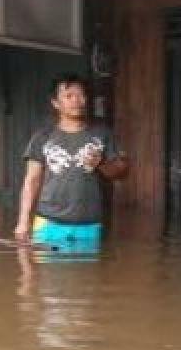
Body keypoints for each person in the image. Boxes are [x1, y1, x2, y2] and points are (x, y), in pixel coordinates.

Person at [14, 73, 128, 250]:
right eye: (69, 96)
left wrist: (101, 164)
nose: (77, 100)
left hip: (89, 224)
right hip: (48, 223)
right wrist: (22, 222)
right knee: (46, 276)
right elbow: (31, 181)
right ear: (56, 103)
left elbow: (122, 173)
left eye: (81, 95)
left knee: (86, 276)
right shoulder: (42, 136)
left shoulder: (102, 133)